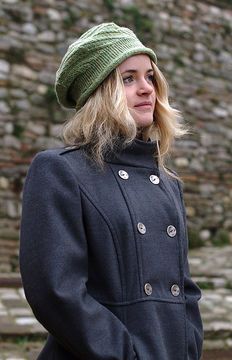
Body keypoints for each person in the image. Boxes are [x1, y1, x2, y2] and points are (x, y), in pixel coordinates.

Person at [19, 22, 203, 360]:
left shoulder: (167, 183)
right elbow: (56, 291)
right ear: (98, 92)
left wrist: (190, 344)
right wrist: (124, 354)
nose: (147, 88)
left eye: (150, 76)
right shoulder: (60, 171)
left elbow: (185, 289)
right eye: (128, 78)